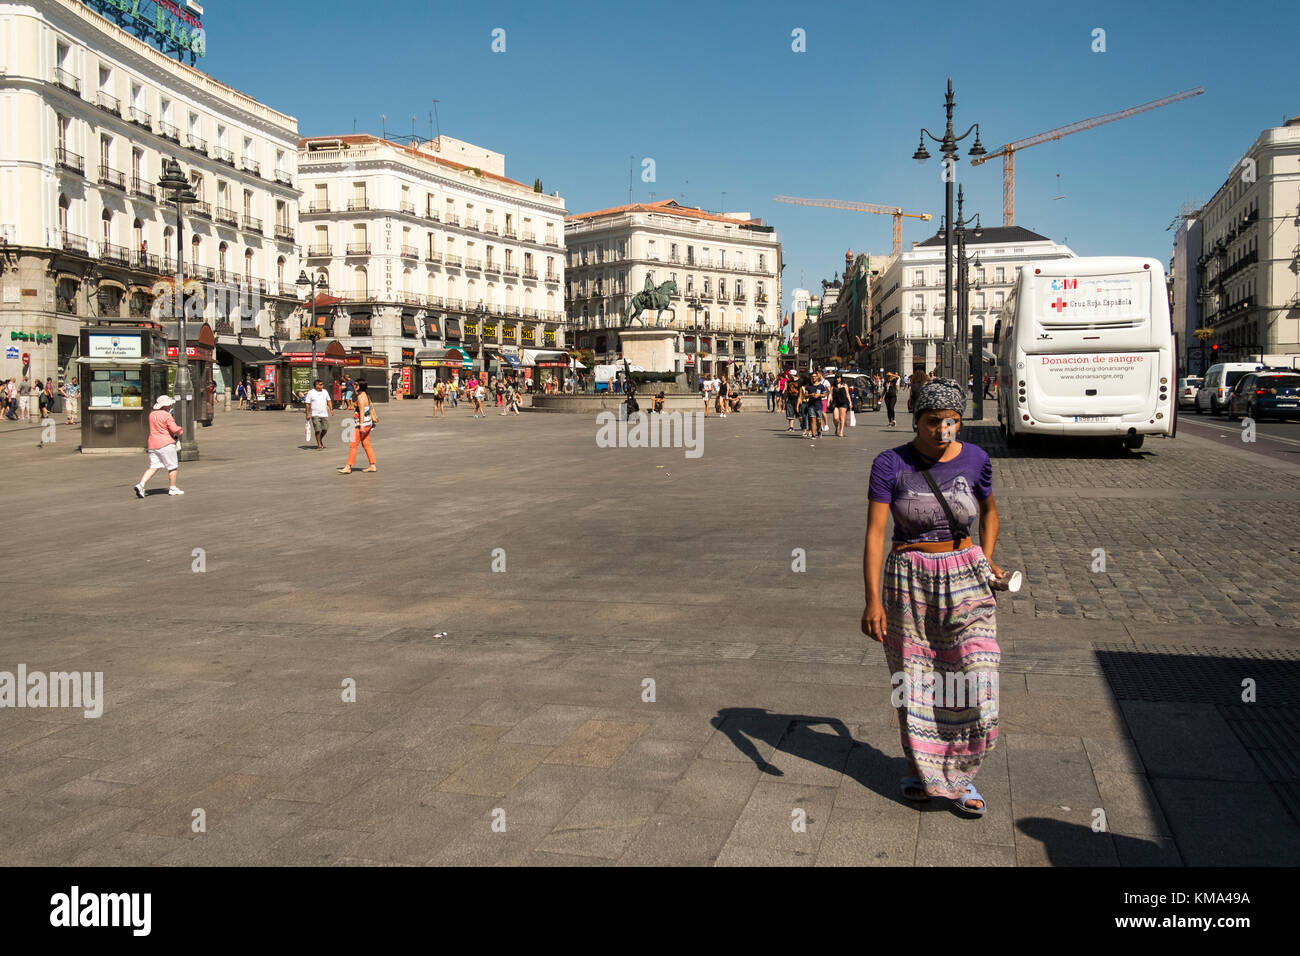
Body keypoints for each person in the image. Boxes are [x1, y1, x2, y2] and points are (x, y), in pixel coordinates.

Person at [861, 378, 1004, 814]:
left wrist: (986, 558)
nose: (943, 430)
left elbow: (991, 514)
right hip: (909, 580)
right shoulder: (890, 464)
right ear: (916, 418)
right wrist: (872, 600)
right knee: (918, 679)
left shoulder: (977, 458)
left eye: (952, 422)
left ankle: (959, 774)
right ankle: (922, 769)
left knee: (977, 676)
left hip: (964, 575)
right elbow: (875, 535)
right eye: (932, 422)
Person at [134, 395, 185, 497]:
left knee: (153, 466)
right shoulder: (167, 416)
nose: (170, 406)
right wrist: (180, 430)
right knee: (172, 467)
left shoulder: (151, 415)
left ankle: (141, 485)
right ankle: (172, 488)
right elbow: (174, 429)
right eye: (169, 404)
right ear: (165, 405)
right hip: (166, 443)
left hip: (153, 444)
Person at [338, 379, 377, 474]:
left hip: (362, 424)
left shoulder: (360, 397)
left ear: (359, 386)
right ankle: (372, 465)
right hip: (368, 423)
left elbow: (362, 412)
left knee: (353, 445)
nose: (353, 386)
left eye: (355, 385)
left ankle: (348, 467)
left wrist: (361, 426)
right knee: (366, 444)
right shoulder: (365, 395)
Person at [304, 378, 331, 449]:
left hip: (324, 414)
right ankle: (319, 444)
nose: (323, 385)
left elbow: (329, 401)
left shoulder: (325, 392)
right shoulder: (311, 392)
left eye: (322, 384)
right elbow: (307, 404)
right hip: (315, 414)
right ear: (316, 385)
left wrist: (331, 409)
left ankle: (320, 439)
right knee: (318, 430)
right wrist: (307, 414)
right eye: (321, 384)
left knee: (325, 429)